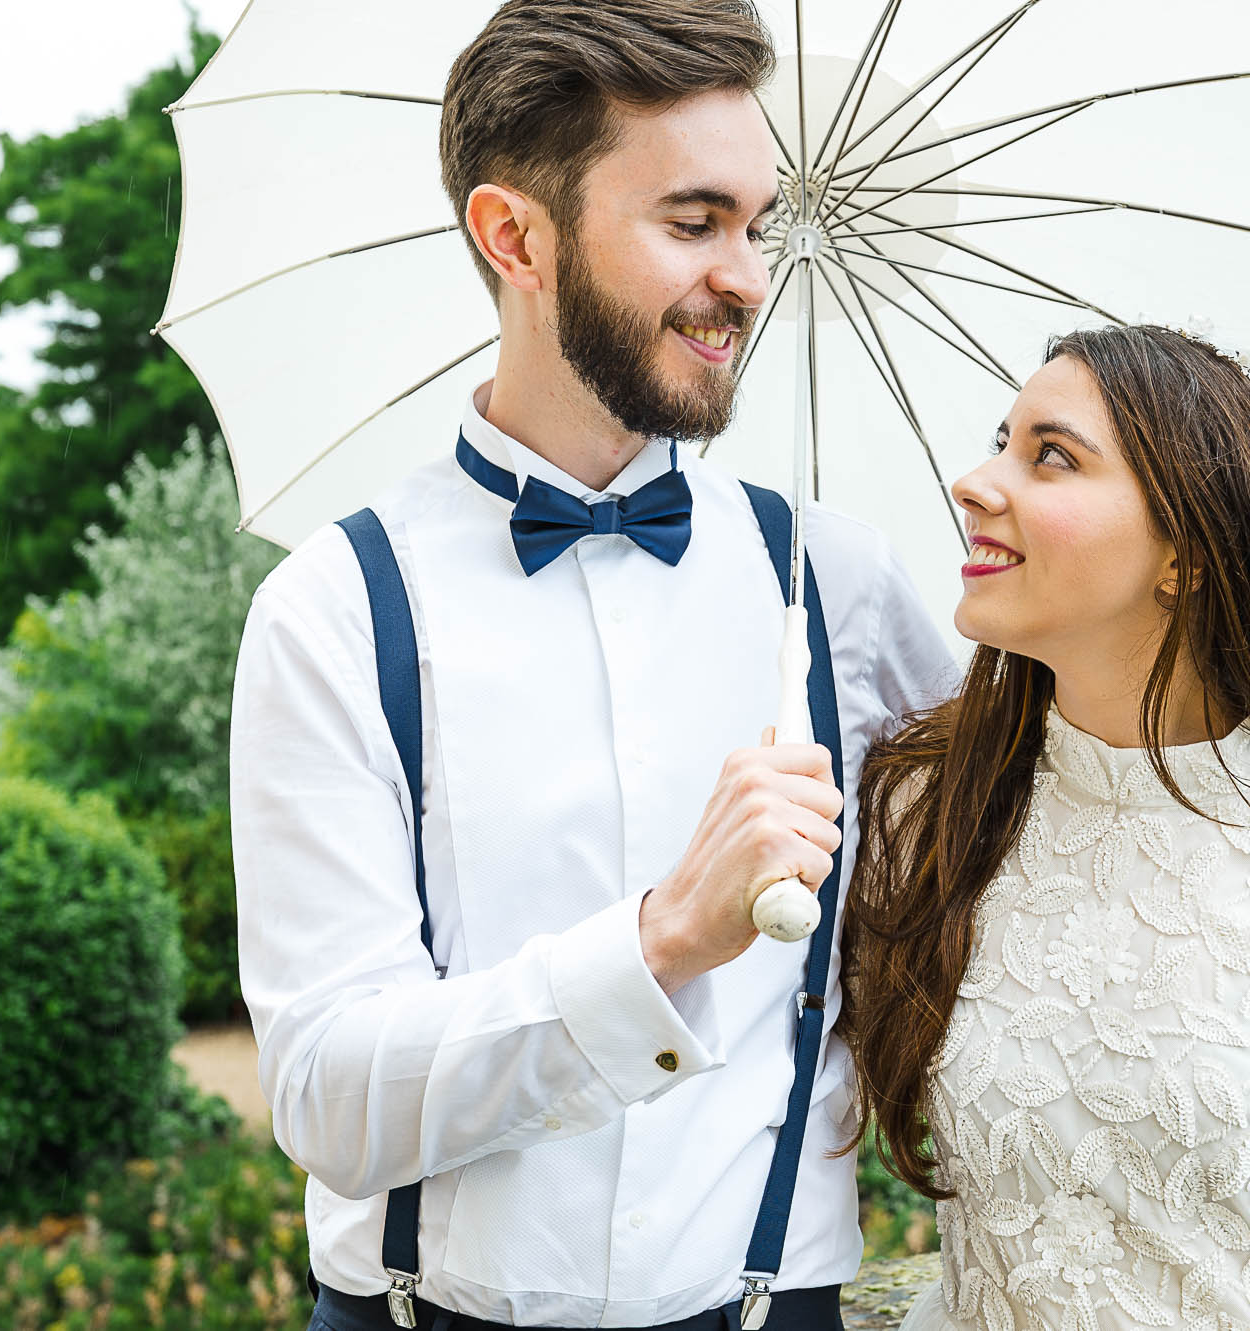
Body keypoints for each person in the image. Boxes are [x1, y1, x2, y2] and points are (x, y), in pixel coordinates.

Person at [228, 3, 955, 1329]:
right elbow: (328, 1091)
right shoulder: (333, 610)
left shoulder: (837, 583)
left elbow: (1018, 878)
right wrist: (665, 937)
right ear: (518, 238)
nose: (746, 276)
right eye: (692, 222)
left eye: (758, 223)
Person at [838, 323, 1250, 1331]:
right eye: (998, 441)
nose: (974, 483)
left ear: (1187, 554)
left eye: (1050, 455)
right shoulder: (923, 809)